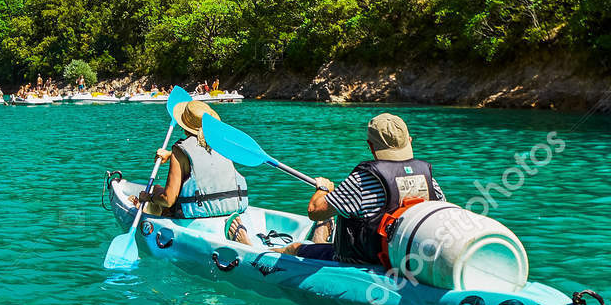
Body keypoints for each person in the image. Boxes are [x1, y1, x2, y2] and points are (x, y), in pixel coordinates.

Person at [259, 113, 443, 265]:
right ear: (409, 141)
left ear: (370, 146)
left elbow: (315, 212)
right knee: (324, 235)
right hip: (403, 259)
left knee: (294, 248)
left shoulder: (364, 180)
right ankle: (322, 232)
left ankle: (256, 254)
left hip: (362, 261)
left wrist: (323, 188)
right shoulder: (428, 179)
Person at [136, 99, 249, 222]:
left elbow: (168, 199)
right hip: (233, 210)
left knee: (157, 189)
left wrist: (149, 197)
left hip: (196, 213)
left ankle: (143, 212)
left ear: (184, 126)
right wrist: (170, 155)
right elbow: (208, 160)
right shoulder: (223, 144)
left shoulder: (180, 150)